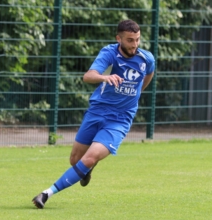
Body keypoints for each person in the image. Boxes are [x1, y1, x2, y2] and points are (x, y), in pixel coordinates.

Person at [32, 19, 155, 209]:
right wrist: (105, 76)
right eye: (130, 40)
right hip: (97, 112)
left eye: (137, 40)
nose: (135, 45)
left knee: (89, 158)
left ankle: (45, 194)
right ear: (119, 38)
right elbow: (88, 76)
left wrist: (135, 95)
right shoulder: (109, 53)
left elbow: (148, 76)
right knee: (75, 160)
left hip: (120, 119)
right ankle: (86, 170)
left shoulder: (147, 59)